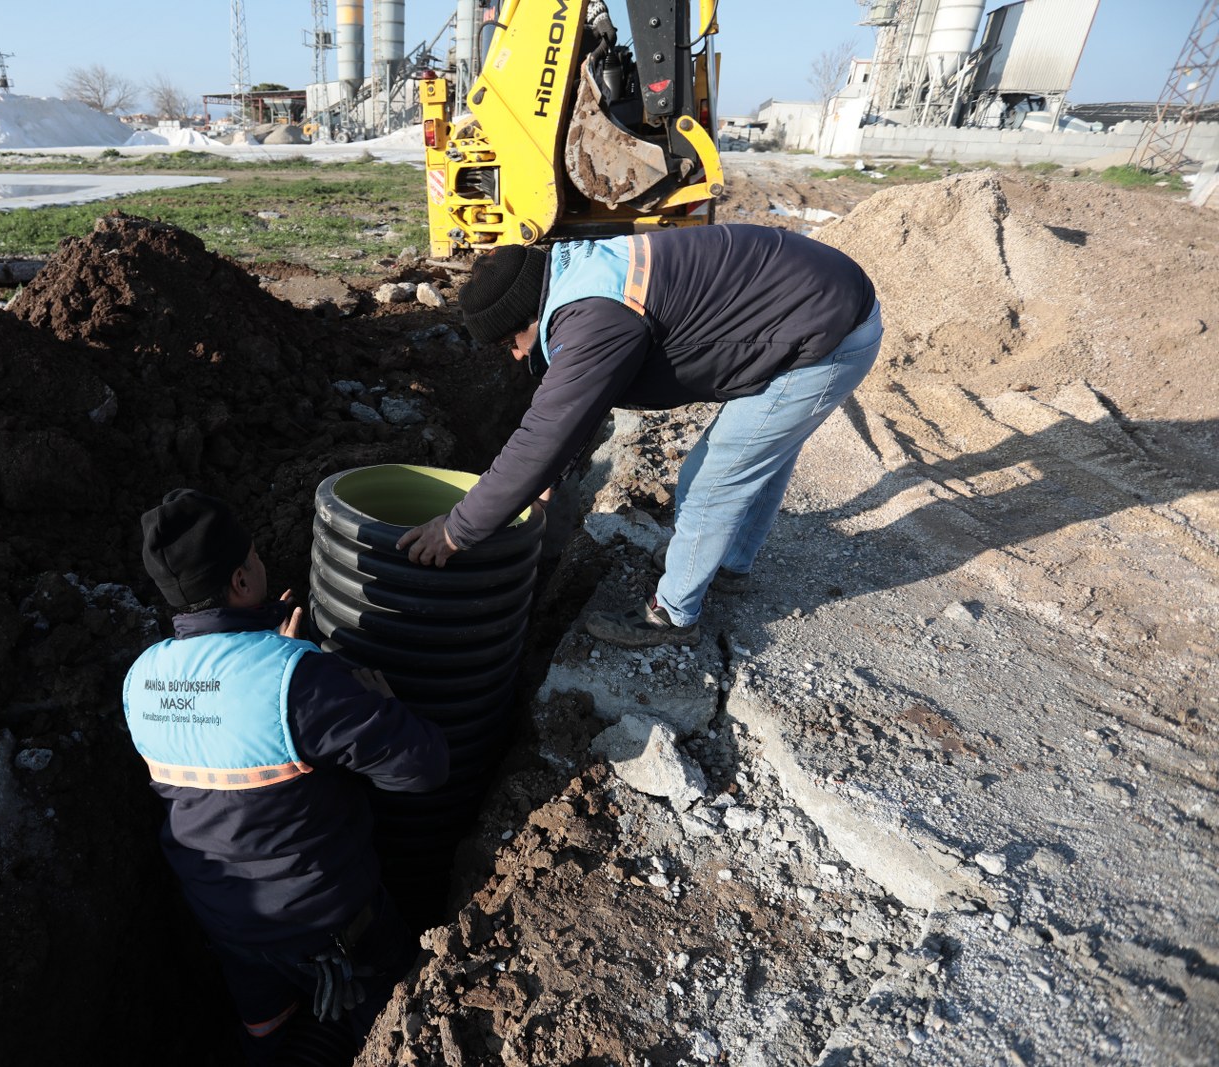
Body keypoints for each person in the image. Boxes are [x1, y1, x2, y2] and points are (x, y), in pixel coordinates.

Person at [396, 225, 881, 649]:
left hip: (828, 332)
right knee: (756, 456)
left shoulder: (594, 318)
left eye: (511, 344)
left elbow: (545, 431)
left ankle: (673, 616)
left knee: (714, 478)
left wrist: (457, 530)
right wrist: (550, 479)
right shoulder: (578, 273)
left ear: (530, 318)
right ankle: (727, 567)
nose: (518, 358)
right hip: (810, 303)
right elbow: (584, 406)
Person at [123, 489, 449, 1063]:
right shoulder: (300, 681)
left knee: (268, 1037)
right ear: (242, 582)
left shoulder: (141, 678)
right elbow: (422, 770)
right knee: (392, 1028)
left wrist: (273, 657)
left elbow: (228, 724)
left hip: (227, 923)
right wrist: (371, 701)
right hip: (329, 926)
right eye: (253, 556)